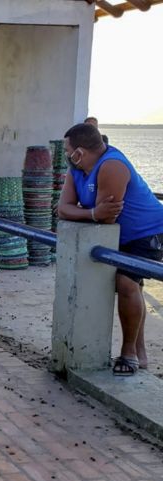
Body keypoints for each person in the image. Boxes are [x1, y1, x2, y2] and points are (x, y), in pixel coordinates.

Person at [58, 123, 163, 376]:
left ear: (80, 152)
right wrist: (92, 212)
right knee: (133, 287)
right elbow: (63, 208)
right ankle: (141, 354)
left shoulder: (112, 165)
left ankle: (129, 353)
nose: (65, 155)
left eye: (67, 150)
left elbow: (108, 219)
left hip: (147, 232)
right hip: (119, 234)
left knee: (127, 283)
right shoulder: (77, 169)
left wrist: (84, 213)